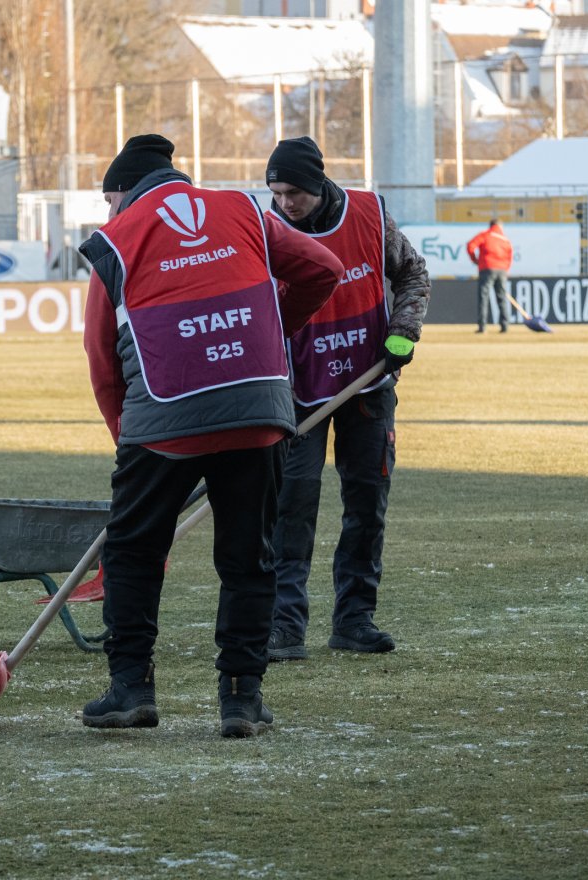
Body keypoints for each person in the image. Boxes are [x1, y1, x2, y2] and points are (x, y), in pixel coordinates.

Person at [78, 134, 344, 738]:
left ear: (121, 194)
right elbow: (323, 269)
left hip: (164, 419)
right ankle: (240, 700)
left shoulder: (115, 241)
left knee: (133, 553)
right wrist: (273, 331)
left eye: (107, 200)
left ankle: (131, 691)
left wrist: (129, 435)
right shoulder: (248, 209)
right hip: (257, 409)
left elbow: (101, 356)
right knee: (250, 559)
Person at [262, 136, 431, 662]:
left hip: (369, 386)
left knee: (366, 507)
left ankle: (355, 619)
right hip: (298, 394)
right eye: (277, 191)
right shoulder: (265, 231)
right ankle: (285, 626)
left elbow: (412, 273)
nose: (286, 202)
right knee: (291, 509)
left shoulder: (369, 213)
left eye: (295, 192)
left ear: (318, 183)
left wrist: (404, 330)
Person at [467, 219, 513, 333]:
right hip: (502, 270)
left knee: (484, 297)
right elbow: (509, 257)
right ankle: (505, 326)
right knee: (501, 297)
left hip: (487, 268)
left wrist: (475, 260)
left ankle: (482, 327)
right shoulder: (505, 240)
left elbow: (470, 246)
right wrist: (506, 270)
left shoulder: (485, 235)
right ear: (500, 227)